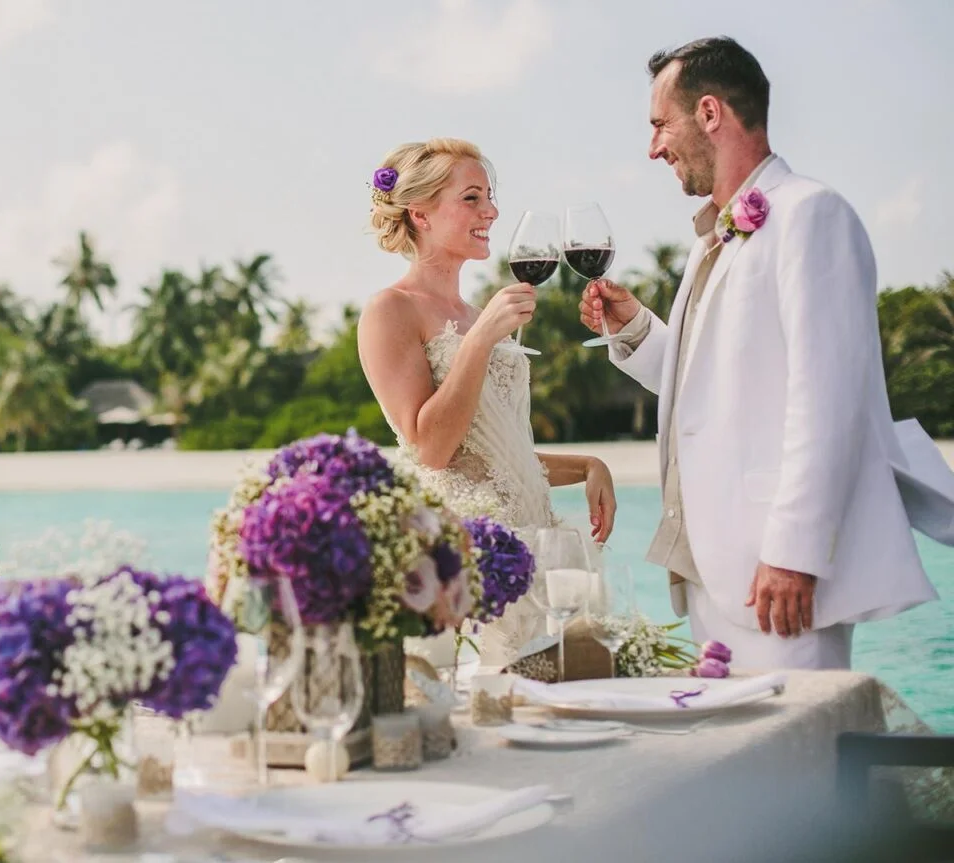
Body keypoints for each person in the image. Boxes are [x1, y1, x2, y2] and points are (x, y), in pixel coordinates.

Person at [580, 36, 937, 669]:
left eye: (661, 124)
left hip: (779, 574)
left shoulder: (811, 215)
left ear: (711, 113)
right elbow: (713, 395)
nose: (653, 146)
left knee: (803, 758)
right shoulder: (707, 243)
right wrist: (637, 331)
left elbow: (828, 402)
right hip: (715, 576)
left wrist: (795, 552)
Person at [358, 137, 617, 666]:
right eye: (472, 198)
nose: (492, 211)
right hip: (470, 565)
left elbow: (498, 456)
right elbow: (431, 448)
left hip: (538, 553)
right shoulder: (391, 310)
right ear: (421, 213)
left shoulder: (482, 313)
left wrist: (589, 465)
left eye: (490, 197)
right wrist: (478, 342)